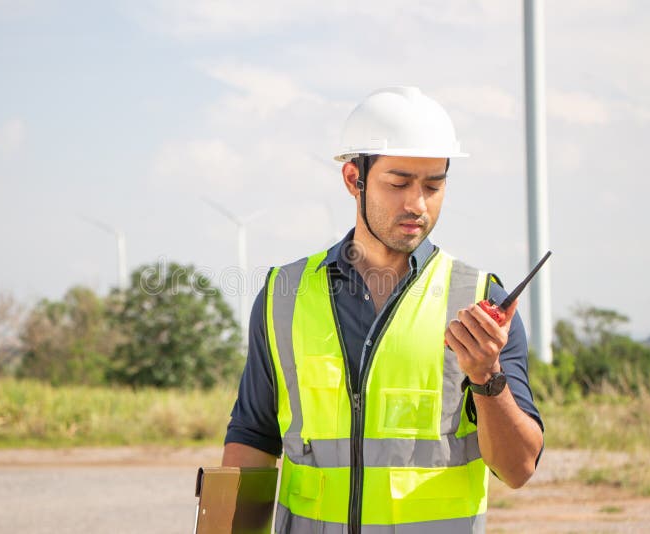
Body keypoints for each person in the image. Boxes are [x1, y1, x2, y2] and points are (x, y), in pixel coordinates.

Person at [222, 86, 544, 533]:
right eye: (398, 184)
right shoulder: (285, 294)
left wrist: (487, 377)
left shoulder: (479, 300)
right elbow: (252, 438)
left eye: (434, 186)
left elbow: (519, 469)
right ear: (353, 178)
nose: (417, 205)